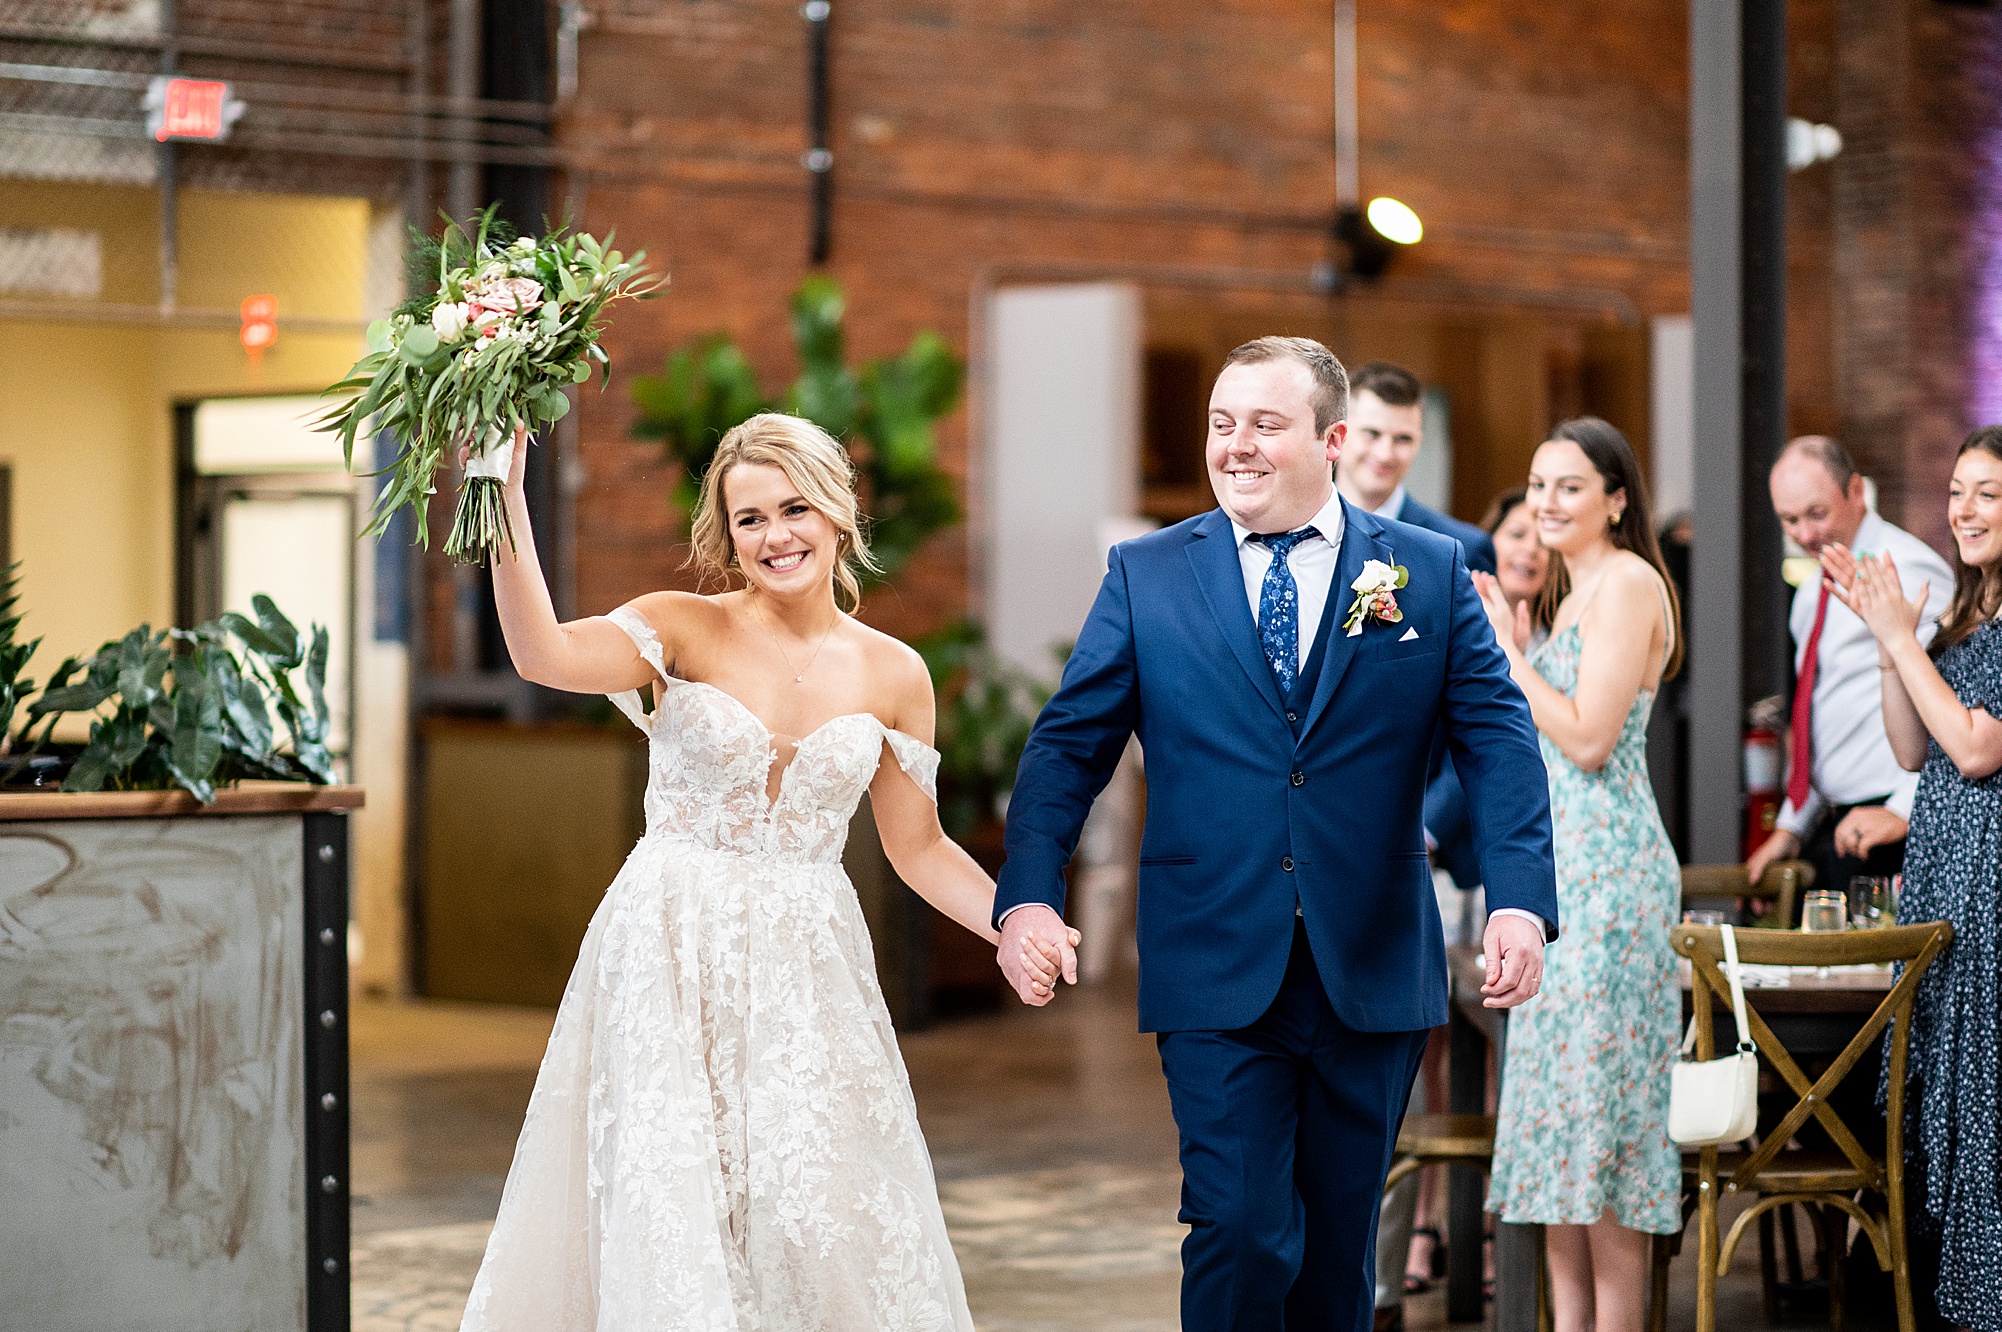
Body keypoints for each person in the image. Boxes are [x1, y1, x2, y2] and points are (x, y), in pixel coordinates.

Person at [993, 336, 1559, 1332]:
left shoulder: (1426, 571)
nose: (1236, 445)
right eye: (1222, 424)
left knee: (1338, 1256)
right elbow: (1068, 745)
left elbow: (1497, 739)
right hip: (1213, 957)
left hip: (1370, 959)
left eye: (1264, 424)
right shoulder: (1147, 574)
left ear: (1332, 441)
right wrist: (1029, 894)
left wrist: (1517, 898)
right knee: (1242, 1227)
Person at [457, 414, 1072, 1330]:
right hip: (669, 946)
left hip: (806, 966)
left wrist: (1015, 920)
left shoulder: (896, 673)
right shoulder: (680, 627)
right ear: (727, 534)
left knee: (812, 1203)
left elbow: (919, 848)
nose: (776, 535)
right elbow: (541, 653)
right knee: (673, 1197)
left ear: (836, 513)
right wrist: (502, 489)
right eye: (750, 519)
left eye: (795, 509)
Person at [1475, 418, 1682, 1332]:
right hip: (1556, 874)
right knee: (1559, 1132)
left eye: (1569, 486)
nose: (1545, 503)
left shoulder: (1629, 582)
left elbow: (1592, 740)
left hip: (1609, 876)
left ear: (1617, 499)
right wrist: (1519, 658)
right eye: (1536, 485)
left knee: (1603, 1125)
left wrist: (1510, 661)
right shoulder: (1567, 595)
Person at [1821, 426, 2002, 1332]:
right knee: (1939, 1096)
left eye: (1988, 494)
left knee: (1984, 1098)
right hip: (1940, 883)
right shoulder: (1969, 616)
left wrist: (1902, 636)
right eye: (1958, 491)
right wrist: (1892, 646)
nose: (1964, 510)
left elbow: (1974, 749)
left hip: (1990, 892)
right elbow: (1909, 746)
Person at [1389, 485, 1552, 1307]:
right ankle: (1429, 1217)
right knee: (1433, 1051)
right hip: (1428, 852)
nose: (1528, 546)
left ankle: (1484, 1225)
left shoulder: (1545, 624)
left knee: (1490, 1051)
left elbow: (1488, 740)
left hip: (1490, 855)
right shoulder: (1462, 595)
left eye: (1539, 534)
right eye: (1516, 529)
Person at [1745, 436, 1952, 901]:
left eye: (1816, 514)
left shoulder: (1907, 568)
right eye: (1789, 520)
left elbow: (1952, 699)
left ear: (1856, 491)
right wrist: (1792, 826)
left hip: (1896, 826)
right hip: (1836, 824)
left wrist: (1903, 809)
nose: (1804, 534)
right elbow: (1823, 718)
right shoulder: (1809, 591)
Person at [1337, 361, 1498, 575]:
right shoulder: (1296, 527)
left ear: (1418, 443)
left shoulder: (1462, 549)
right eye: (1372, 434)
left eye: (1403, 439)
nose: (1385, 455)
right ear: (1338, 434)